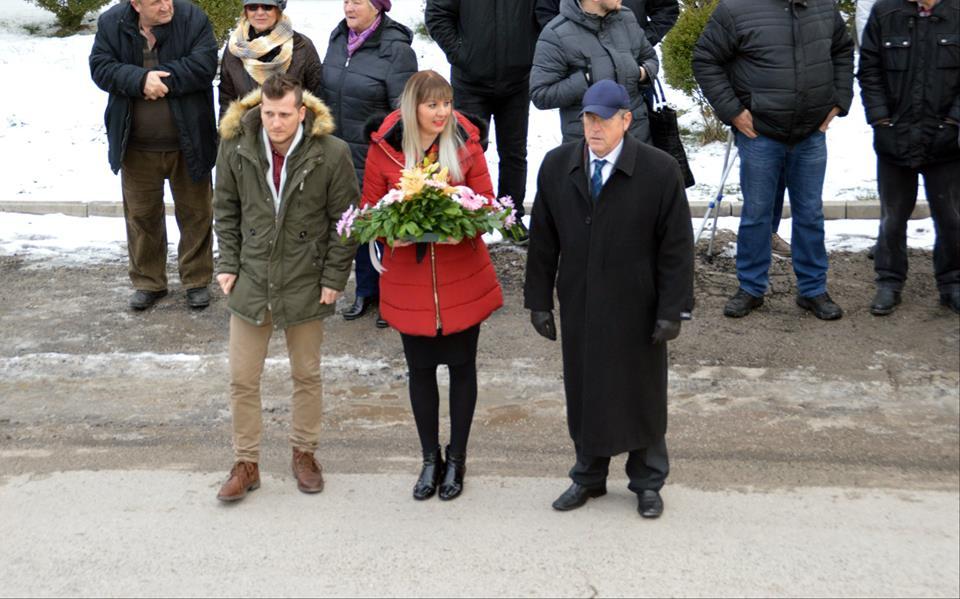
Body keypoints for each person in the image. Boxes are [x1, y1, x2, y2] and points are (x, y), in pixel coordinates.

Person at [524, 80, 694, 518]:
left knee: (642, 391)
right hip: (580, 300)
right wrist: (538, 300)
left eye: (603, 118)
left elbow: (676, 247)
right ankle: (588, 475)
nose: (594, 127)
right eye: (588, 117)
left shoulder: (658, 170)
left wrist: (673, 309)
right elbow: (543, 240)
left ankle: (648, 480)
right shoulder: (559, 164)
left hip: (638, 303)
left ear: (626, 120)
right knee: (585, 388)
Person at [212, 74, 359, 502]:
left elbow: (345, 221)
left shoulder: (331, 153)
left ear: (301, 111)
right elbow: (225, 208)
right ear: (260, 110)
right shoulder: (236, 146)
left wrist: (334, 277)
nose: (276, 123)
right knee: (242, 378)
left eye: (284, 115)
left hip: (305, 278)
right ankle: (246, 463)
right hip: (252, 277)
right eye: (269, 114)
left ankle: (304, 453)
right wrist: (227, 263)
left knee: (306, 374)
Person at [361, 70, 503, 501]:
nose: (442, 113)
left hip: (462, 279)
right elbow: (369, 211)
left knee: (462, 369)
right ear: (412, 107)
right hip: (410, 283)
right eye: (432, 105)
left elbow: (486, 203)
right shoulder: (384, 149)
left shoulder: (466, 143)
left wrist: (462, 226)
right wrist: (391, 234)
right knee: (420, 371)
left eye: (447, 103)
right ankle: (429, 459)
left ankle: (457, 458)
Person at [692, 0, 854, 320]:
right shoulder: (735, 9)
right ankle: (751, 288)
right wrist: (734, 112)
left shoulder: (823, 6)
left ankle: (813, 289)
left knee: (810, 214)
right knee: (757, 214)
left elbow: (843, 50)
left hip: (810, 133)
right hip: (760, 134)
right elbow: (705, 60)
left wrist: (839, 100)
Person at [89, 0, 218, 311]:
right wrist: (138, 80)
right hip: (135, 144)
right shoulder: (112, 23)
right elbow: (100, 67)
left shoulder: (192, 18)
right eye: (155, 1)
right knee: (141, 217)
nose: (165, 6)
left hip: (188, 141)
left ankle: (197, 281)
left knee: (197, 214)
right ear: (135, 4)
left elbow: (204, 65)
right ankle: (149, 282)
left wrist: (156, 78)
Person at [858, 0, 960, 315]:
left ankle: (952, 283)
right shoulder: (885, 13)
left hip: (946, 139)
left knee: (952, 216)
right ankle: (888, 282)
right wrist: (880, 121)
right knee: (892, 217)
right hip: (895, 137)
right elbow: (869, 71)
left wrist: (954, 122)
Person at [322, 0, 417, 327]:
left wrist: (389, 149)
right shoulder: (337, 38)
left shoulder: (396, 50)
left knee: (386, 224)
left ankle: (392, 294)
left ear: (377, 8)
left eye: (357, 1)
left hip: (379, 154)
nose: (349, 7)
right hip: (339, 152)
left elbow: (404, 111)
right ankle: (365, 290)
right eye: (346, 1)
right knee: (358, 222)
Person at [425, 0, 537, 243]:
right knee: (465, 152)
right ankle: (467, 217)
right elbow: (437, 14)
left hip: (517, 81)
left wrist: (530, 52)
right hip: (470, 81)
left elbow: (545, 14)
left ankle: (511, 218)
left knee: (514, 152)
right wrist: (461, 53)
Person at [530, 0, 658, 144]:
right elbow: (541, 95)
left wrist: (640, 73)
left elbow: (650, 59)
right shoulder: (556, 33)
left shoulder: (626, 17)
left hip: (637, 137)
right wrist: (586, 80)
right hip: (589, 146)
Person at [217, 0, 323, 120]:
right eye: (253, 7)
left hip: (292, 133)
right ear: (246, 11)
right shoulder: (235, 48)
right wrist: (227, 135)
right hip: (247, 134)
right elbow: (227, 99)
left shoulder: (302, 46)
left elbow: (317, 98)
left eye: (267, 7)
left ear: (278, 9)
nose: (260, 12)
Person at [534, 0, 679, 49]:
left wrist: (643, 40)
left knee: (633, 117)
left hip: (632, 67)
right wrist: (572, 49)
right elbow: (546, 13)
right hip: (580, 71)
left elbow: (666, 9)